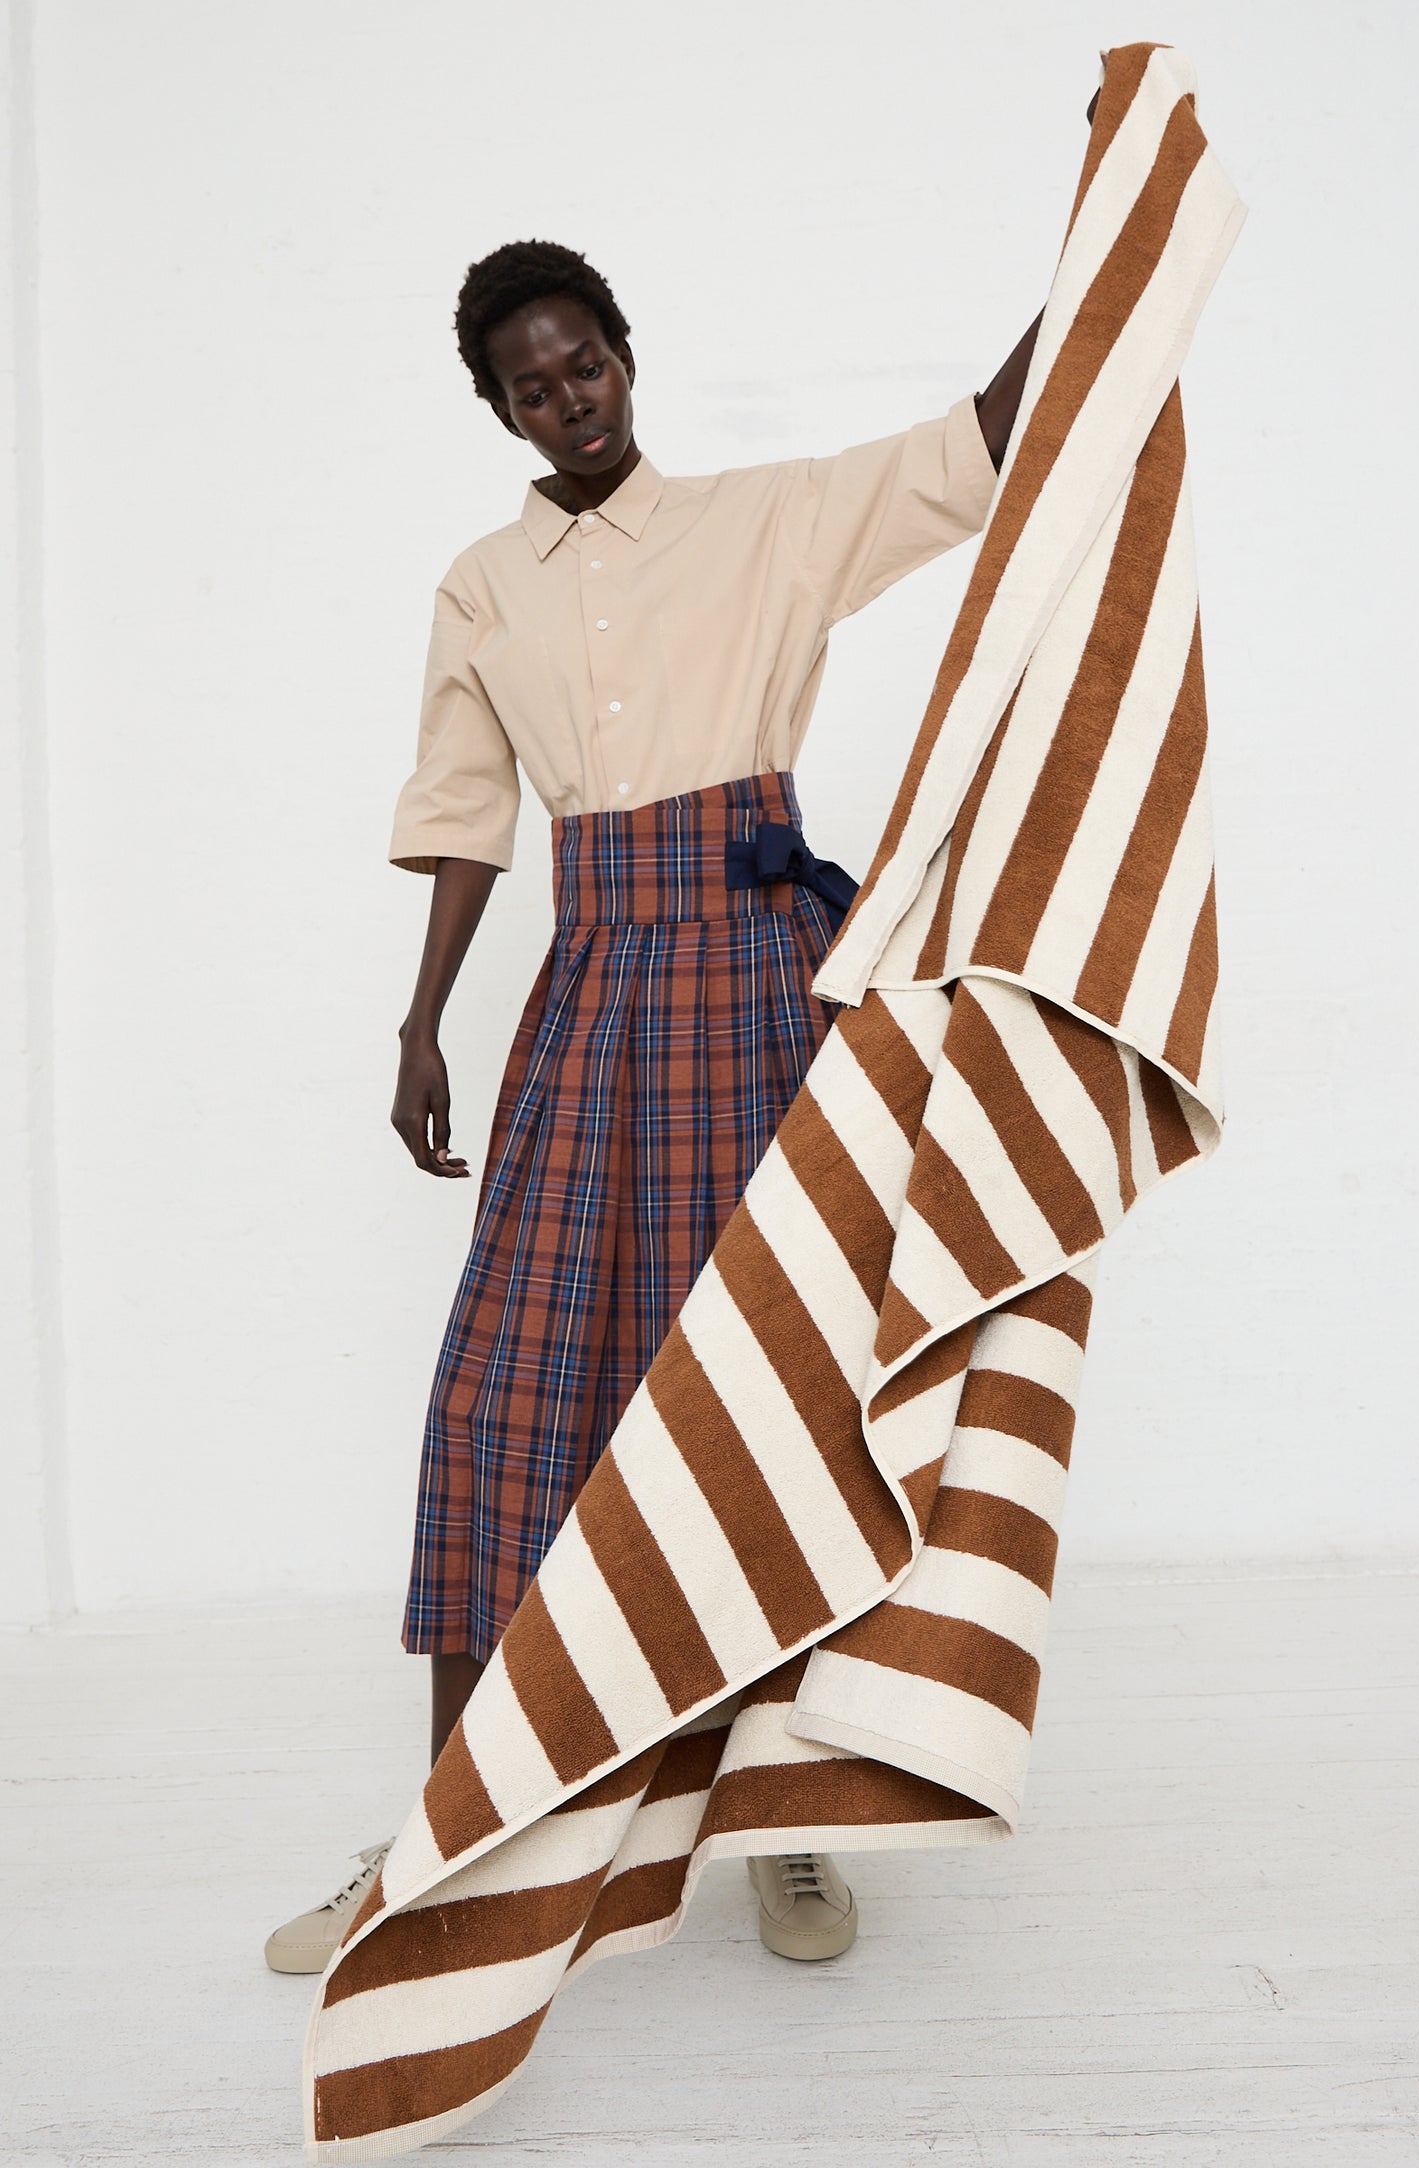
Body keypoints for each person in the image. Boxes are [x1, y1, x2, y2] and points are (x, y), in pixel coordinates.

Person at [264, 237, 1039, 1976]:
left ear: (626, 354)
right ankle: (441, 1845)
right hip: (594, 984)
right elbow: (464, 810)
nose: (569, 399)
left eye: (585, 363)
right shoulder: (482, 584)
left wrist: (1106, 233)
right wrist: (417, 1025)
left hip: (760, 988)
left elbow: (977, 446)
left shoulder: (764, 519)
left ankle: (783, 1822)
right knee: (503, 1405)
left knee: (770, 1403)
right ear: (499, 410)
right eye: (530, 386)